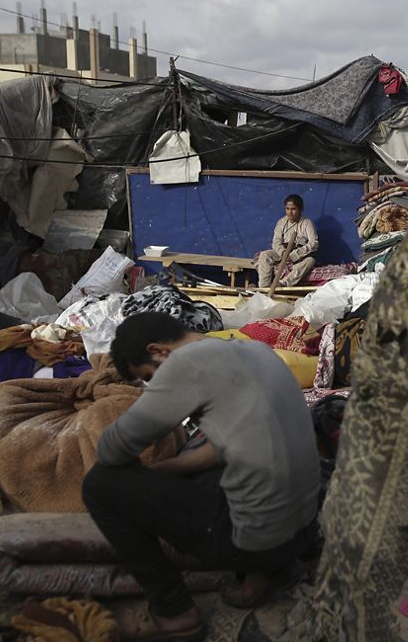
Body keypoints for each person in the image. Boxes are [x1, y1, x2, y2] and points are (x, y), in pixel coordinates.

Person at [82, 312, 321, 640]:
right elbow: (238, 440)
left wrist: (149, 416)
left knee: (100, 485)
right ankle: (268, 571)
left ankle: (174, 611)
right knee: (196, 464)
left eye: (151, 375)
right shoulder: (255, 350)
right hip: (304, 531)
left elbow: (113, 449)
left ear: (158, 350)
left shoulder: (186, 364)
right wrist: (167, 470)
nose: (156, 384)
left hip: (258, 545)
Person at [256, 194, 319, 288]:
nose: (290, 212)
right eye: (287, 209)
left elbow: (314, 243)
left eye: (293, 209)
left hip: (299, 254)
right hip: (283, 252)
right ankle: (264, 287)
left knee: (310, 261)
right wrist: (283, 252)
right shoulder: (281, 222)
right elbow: (276, 241)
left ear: (300, 209)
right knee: (264, 255)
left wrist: (295, 254)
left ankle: (284, 283)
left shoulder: (306, 223)